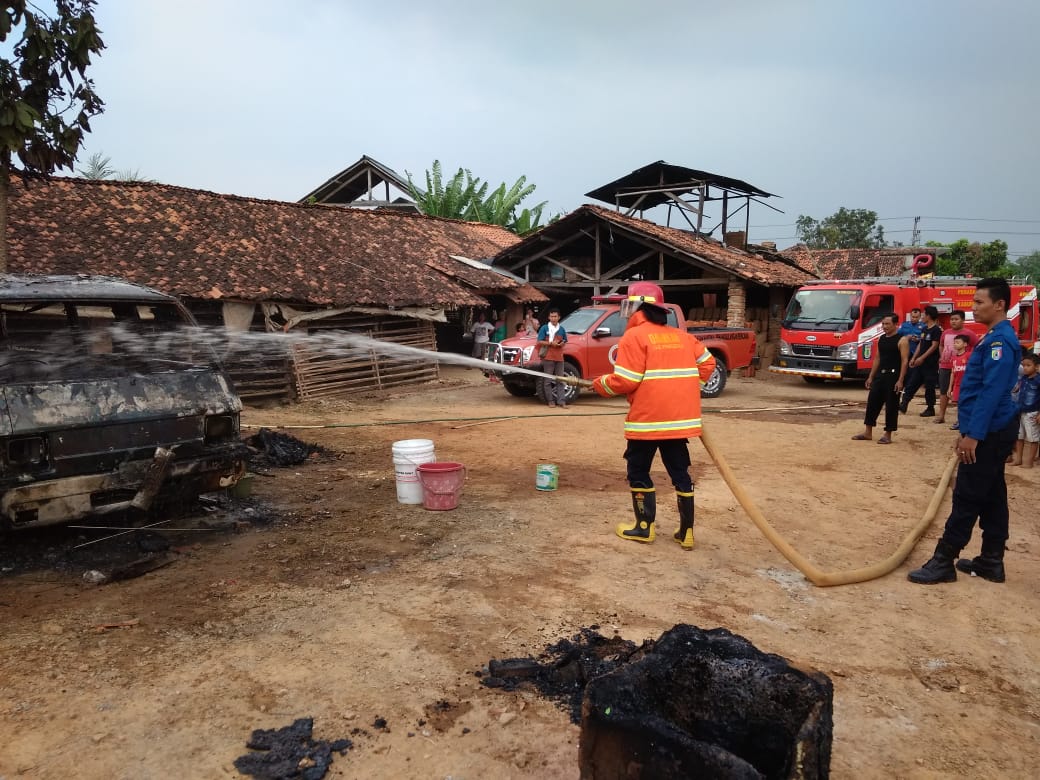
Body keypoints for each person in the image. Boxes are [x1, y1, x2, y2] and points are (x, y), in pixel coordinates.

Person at [908, 278, 1021, 585]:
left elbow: (991, 392)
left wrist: (973, 434)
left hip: (989, 432)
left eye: (979, 303)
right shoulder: (994, 337)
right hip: (992, 429)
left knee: (968, 494)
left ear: (999, 305)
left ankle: (944, 559)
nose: (973, 308)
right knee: (993, 493)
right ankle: (991, 560)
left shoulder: (999, 343)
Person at [590, 282, 716, 550]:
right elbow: (708, 363)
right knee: (680, 474)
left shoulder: (634, 337)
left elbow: (626, 380)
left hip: (647, 421)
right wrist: (691, 389)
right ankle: (686, 532)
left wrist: (601, 384)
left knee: (638, 471)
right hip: (681, 422)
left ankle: (644, 527)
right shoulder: (683, 337)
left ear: (639, 307)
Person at [851, 313, 908, 444]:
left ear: (895, 325)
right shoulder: (881, 338)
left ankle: (888, 434)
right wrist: (871, 376)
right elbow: (877, 358)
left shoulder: (902, 340)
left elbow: (904, 361)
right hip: (880, 375)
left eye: (887, 324)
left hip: (893, 376)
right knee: (873, 402)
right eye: (883, 324)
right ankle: (868, 432)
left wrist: (900, 380)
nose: (884, 326)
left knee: (891, 405)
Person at [935, 310, 979, 424]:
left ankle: (961, 418)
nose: (953, 321)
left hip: (962, 368)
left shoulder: (969, 333)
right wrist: (942, 356)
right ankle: (941, 415)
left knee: (962, 392)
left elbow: (977, 346)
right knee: (944, 390)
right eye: (951, 319)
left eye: (956, 319)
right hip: (945, 366)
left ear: (963, 320)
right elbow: (941, 345)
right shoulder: (945, 333)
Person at [899, 305, 941, 416]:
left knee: (929, 386)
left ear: (929, 316)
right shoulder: (924, 329)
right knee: (912, 383)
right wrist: (914, 358)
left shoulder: (936, 330)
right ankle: (904, 403)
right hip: (919, 363)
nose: (922, 316)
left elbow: (934, 346)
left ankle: (930, 408)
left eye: (923, 314)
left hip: (930, 364)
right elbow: (921, 344)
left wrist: (922, 358)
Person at [1009, 352, 1040, 467]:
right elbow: (1017, 389)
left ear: (1036, 367)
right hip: (1021, 411)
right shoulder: (1023, 378)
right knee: (1019, 436)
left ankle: (1029, 461)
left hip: (1032, 412)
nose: (1025, 368)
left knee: (1032, 438)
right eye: (1024, 365)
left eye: (1028, 365)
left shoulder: (1038, 380)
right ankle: (1018, 459)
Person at [537, 309, 569, 408]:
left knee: (561, 380)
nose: (553, 318)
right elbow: (539, 341)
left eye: (555, 316)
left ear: (559, 317)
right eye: (551, 316)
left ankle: (561, 402)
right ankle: (550, 401)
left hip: (559, 357)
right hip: (548, 357)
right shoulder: (544, 328)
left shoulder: (562, 329)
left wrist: (561, 343)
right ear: (549, 317)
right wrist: (551, 343)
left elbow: (565, 340)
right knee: (548, 381)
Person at [948, 333, 972, 430]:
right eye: (954, 343)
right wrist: (950, 387)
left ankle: (966, 421)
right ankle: (960, 421)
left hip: (967, 385)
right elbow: (952, 373)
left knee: (967, 404)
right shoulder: (953, 358)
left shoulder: (969, 355)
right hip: (957, 385)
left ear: (965, 344)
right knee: (959, 405)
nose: (955, 344)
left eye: (958, 342)